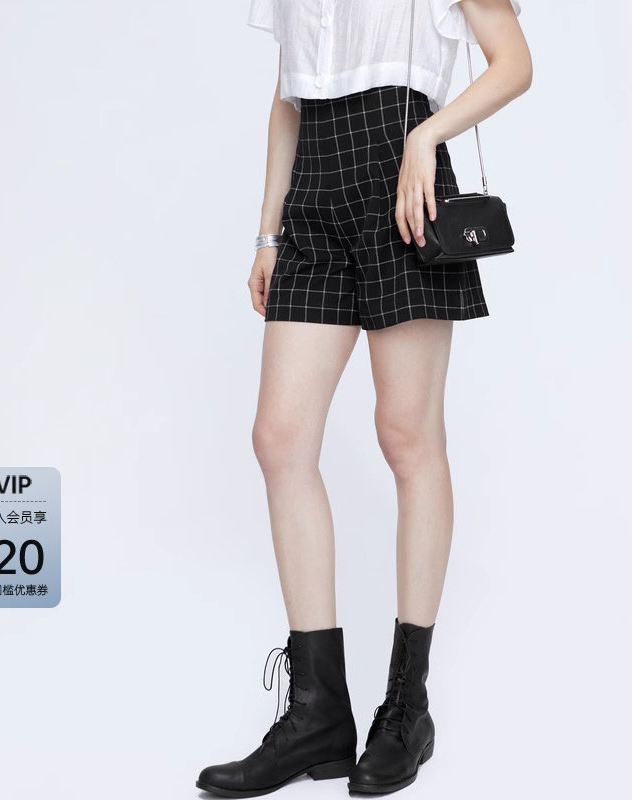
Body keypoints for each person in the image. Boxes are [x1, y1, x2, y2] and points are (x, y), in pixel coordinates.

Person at [197, 1, 532, 796]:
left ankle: (407, 707)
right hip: (313, 191)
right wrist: (268, 232)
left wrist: (426, 137)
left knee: (406, 437)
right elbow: (289, 93)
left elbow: (514, 63)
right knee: (280, 439)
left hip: (401, 174)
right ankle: (317, 713)